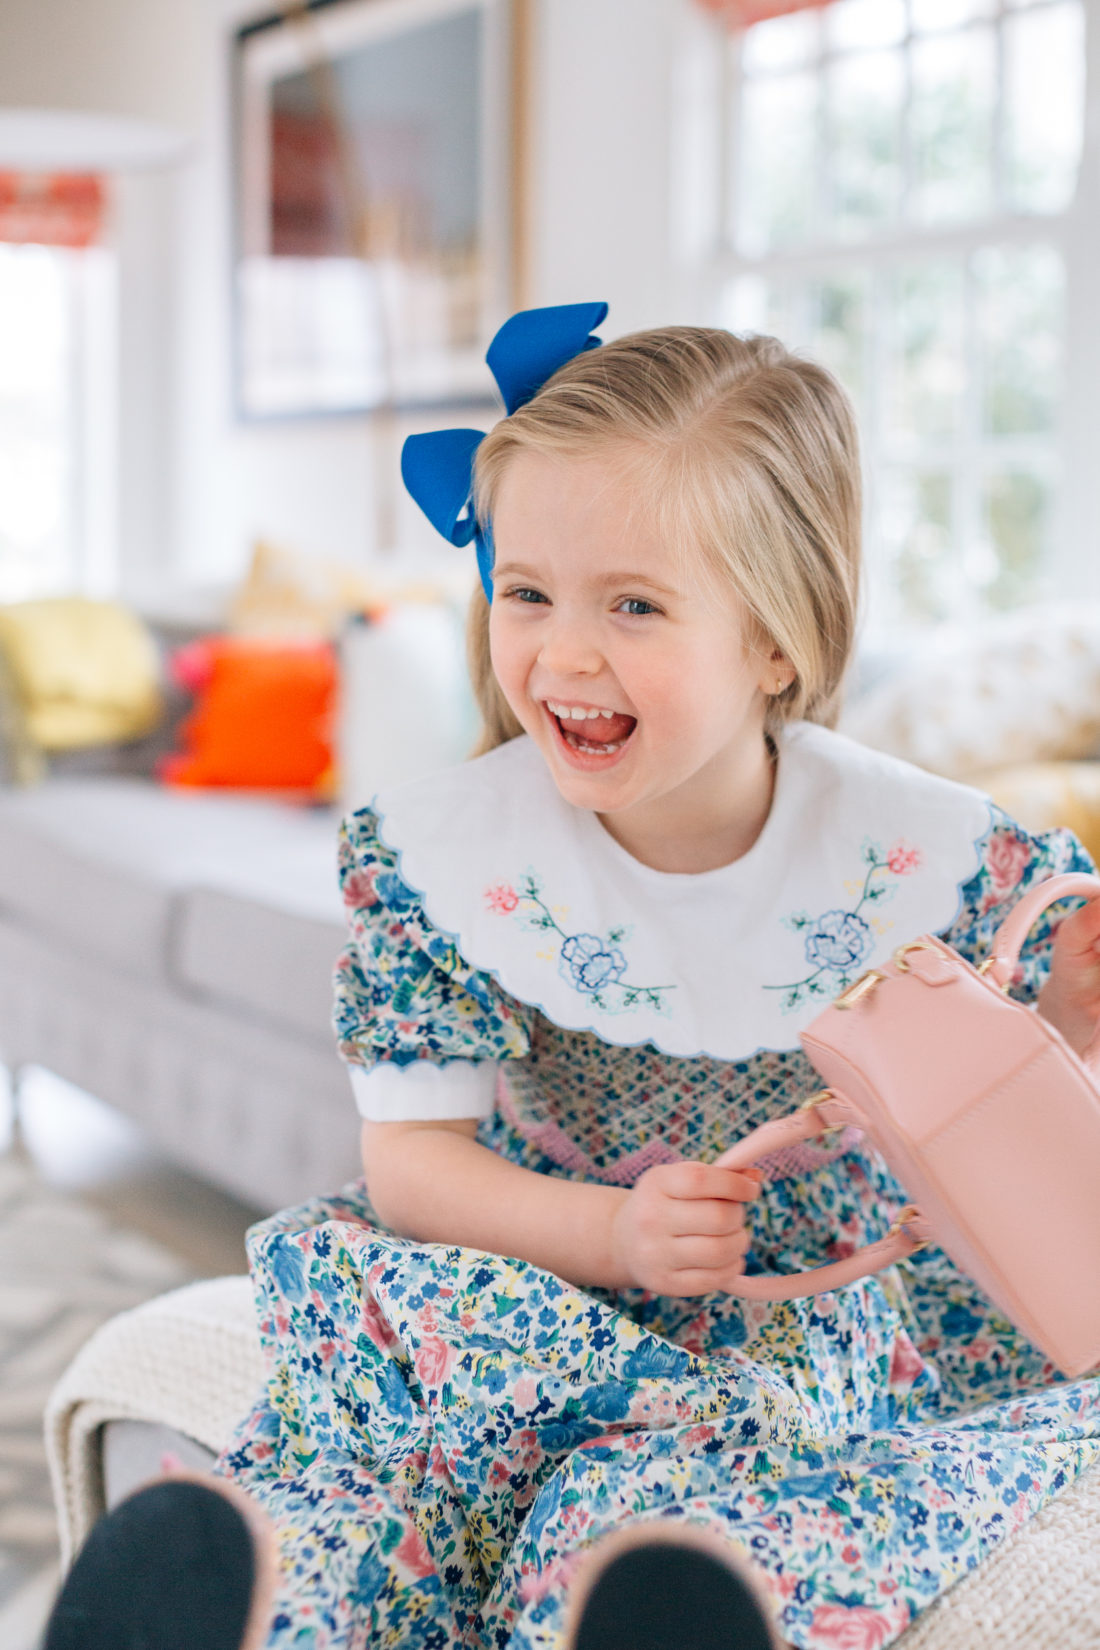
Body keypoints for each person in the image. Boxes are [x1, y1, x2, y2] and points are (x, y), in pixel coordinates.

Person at [45, 304, 1100, 1650]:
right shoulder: (443, 862)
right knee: (382, 1454)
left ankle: (645, 1599)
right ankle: (255, 1596)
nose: (564, 651)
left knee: (695, 1489)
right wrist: (609, 1236)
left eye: (637, 605)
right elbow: (410, 1171)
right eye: (528, 590)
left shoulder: (941, 858)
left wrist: (1067, 1034)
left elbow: (1025, 1149)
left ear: (776, 641)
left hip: (786, 1313)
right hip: (534, 1272)